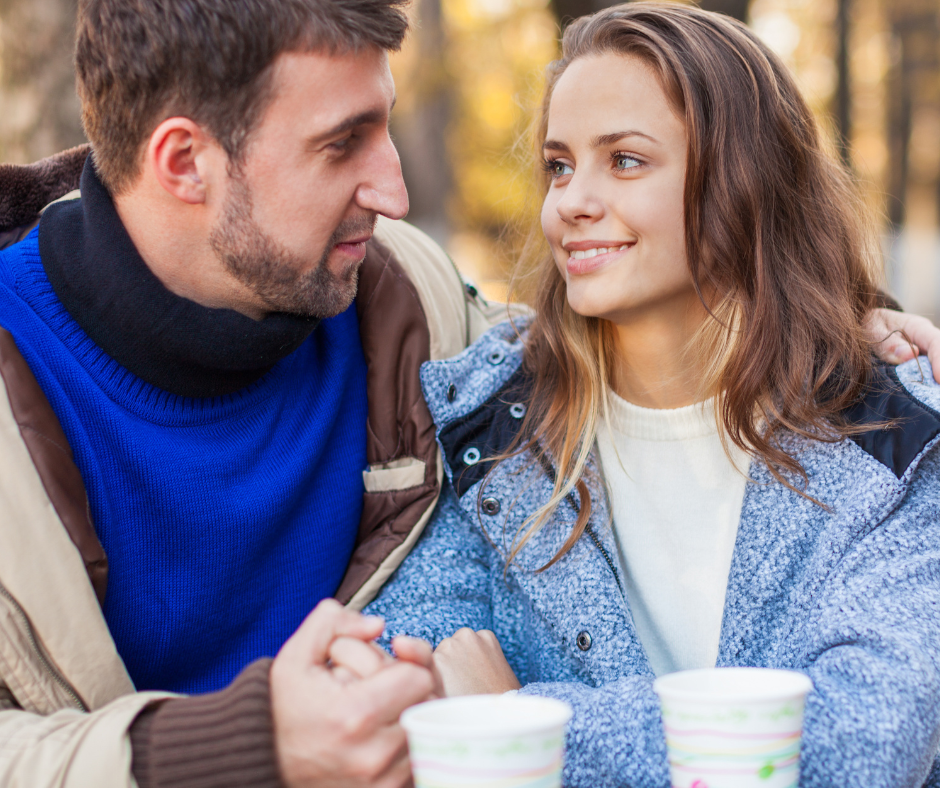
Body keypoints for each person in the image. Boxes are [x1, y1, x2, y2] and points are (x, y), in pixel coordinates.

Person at [363, 4, 940, 786]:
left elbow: (858, 747)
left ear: (745, 183)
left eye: (626, 161)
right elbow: (401, 683)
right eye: (560, 165)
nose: (570, 202)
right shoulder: (489, 425)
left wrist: (525, 726)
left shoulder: (896, 431)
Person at [0, 0, 509, 786]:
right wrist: (247, 748)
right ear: (183, 162)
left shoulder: (419, 306)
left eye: (386, 127)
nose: (394, 192)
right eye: (343, 144)